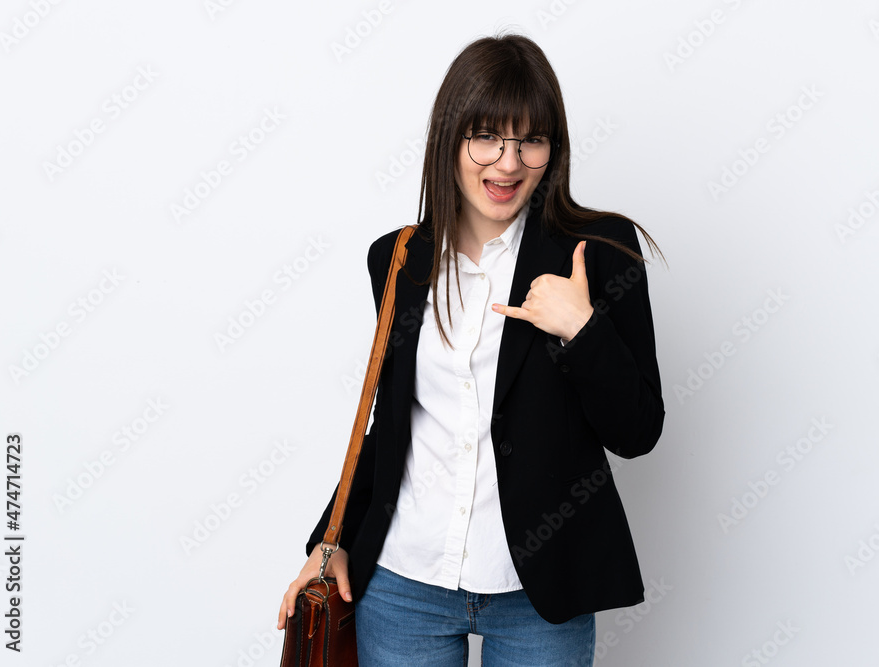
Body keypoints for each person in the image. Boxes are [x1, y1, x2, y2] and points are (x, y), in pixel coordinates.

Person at [278, 32, 665, 666]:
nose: (508, 164)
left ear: (553, 148)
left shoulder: (597, 252)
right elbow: (393, 425)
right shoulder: (398, 259)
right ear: (449, 138)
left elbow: (638, 431)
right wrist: (331, 539)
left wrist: (582, 328)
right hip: (403, 583)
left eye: (531, 140)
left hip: (539, 592)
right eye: (486, 137)